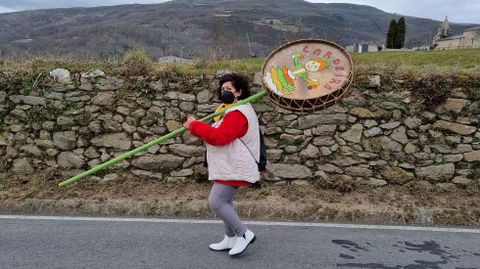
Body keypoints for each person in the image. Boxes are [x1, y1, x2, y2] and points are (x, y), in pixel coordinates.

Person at [183, 73, 260, 256]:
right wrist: (196, 125)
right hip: (229, 164)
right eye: (222, 89)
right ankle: (230, 238)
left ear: (239, 92)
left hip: (236, 166)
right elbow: (217, 131)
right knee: (225, 201)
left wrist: (194, 126)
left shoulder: (238, 113)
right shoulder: (229, 110)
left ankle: (244, 234)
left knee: (216, 201)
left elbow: (220, 137)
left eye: (229, 89)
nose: (224, 91)